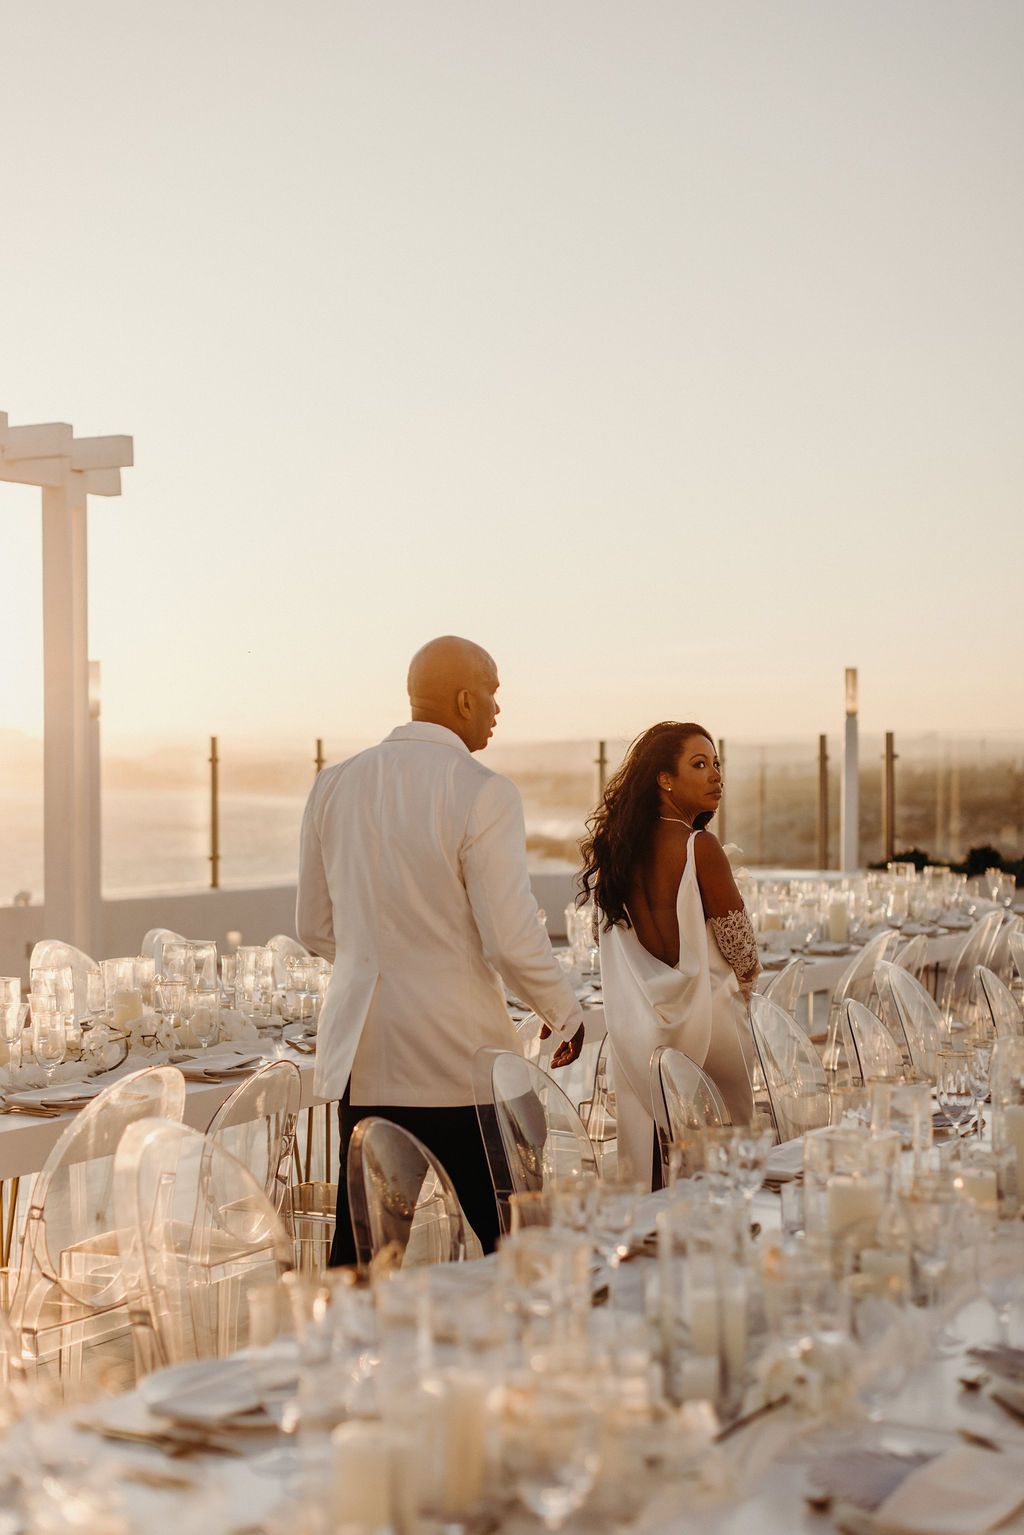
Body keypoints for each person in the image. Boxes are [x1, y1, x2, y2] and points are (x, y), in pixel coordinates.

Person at [296, 635, 585, 1262]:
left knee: (366, 1266)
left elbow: (314, 927)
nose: (497, 710)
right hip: (465, 1067)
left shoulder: (333, 784)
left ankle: (350, 1358)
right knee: (524, 1252)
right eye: (492, 694)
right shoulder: (482, 791)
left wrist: (379, 966)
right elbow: (510, 938)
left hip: (367, 1065)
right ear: (463, 698)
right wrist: (564, 1012)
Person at [579, 722, 758, 1186]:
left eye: (717, 763)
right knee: (724, 1163)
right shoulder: (701, 847)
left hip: (641, 1033)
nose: (715, 774)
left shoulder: (617, 855)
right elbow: (741, 948)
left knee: (659, 1164)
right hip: (712, 1026)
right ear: (664, 779)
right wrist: (749, 981)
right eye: (698, 765)